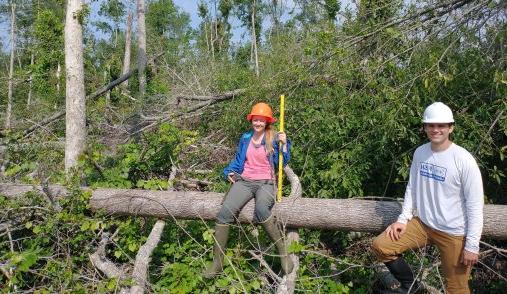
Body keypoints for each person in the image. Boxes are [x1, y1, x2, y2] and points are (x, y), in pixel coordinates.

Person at [372, 102, 484, 294]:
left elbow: (475, 205)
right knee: (381, 246)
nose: (435, 129)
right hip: (423, 225)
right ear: (424, 127)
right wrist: (403, 219)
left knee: (457, 289)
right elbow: (412, 187)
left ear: (451, 128)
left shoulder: (464, 160)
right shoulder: (421, 153)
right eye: (431, 125)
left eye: (441, 125)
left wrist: (472, 245)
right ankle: (411, 286)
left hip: (454, 233)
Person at [203, 102, 294, 278]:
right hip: (244, 181)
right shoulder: (245, 138)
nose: (258, 123)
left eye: (261, 120)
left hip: (266, 182)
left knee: (261, 209)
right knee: (224, 213)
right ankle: (217, 263)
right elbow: (238, 161)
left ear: (267, 122)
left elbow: (282, 161)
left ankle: (283, 252)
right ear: (251, 120)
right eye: (255, 119)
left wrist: (283, 145)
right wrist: (228, 171)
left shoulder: (274, 137)